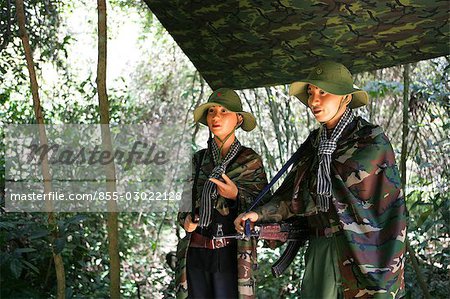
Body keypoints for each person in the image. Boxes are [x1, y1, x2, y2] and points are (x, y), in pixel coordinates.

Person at [235, 61, 407, 298]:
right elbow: (293, 192)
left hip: (366, 255)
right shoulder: (313, 145)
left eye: (323, 92)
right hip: (320, 249)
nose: (314, 101)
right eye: (311, 93)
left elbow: (330, 190)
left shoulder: (370, 141)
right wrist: (258, 214)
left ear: (346, 98)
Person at [175, 88, 268, 299]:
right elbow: (184, 202)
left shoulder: (249, 160)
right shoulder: (199, 160)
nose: (216, 116)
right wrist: (186, 220)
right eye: (211, 111)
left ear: (238, 119)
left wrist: (236, 195)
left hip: (230, 255)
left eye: (224, 111)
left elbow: (264, 207)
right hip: (196, 254)